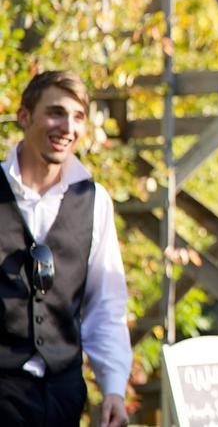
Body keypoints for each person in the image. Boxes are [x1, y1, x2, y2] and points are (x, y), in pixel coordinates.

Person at [0, 71, 132, 427]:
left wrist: (114, 389)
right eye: (56, 113)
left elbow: (106, 304)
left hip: (62, 393)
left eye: (78, 117)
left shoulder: (95, 201)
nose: (68, 127)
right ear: (24, 116)